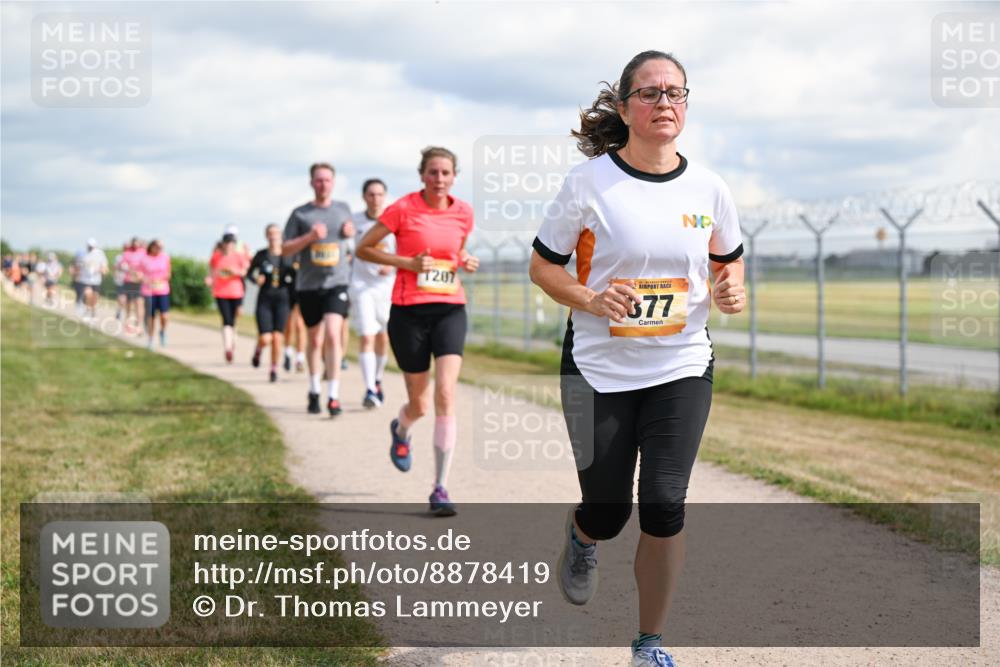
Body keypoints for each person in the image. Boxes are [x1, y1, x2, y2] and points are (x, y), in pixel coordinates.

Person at [528, 51, 746, 667]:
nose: (664, 103)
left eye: (675, 92)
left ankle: (649, 642)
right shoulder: (589, 182)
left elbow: (728, 264)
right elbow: (543, 266)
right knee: (609, 508)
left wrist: (733, 289)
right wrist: (590, 298)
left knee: (664, 500)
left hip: (681, 362)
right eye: (649, 93)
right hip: (598, 367)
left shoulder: (710, 188)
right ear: (623, 108)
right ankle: (582, 535)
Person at [356, 146, 479, 517]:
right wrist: (404, 262)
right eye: (432, 173)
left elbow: (453, 253)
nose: (439, 179)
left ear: (454, 176)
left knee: (445, 393)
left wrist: (464, 261)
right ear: (422, 175)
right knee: (421, 404)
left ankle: (440, 488)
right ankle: (402, 427)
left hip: (449, 309)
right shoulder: (403, 209)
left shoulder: (464, 213)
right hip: (408, 312)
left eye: (445, 173)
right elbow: (364, 248)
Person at [282, 162, 355, 416]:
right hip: (309, 285)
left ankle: (333, 396)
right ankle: (314, 390)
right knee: (315, 339)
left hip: (337, 282)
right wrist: (309, 238)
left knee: (334, 335)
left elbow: (352, 238)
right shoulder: (300, 214)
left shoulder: (343, 209)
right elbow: (285, 249)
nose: (323, 184)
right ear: (311, 183)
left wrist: (349, 232)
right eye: (318, 180)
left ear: (333, 183)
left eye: (327, 180)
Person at [349, 178, 394, 408]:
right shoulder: (354, 222)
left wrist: (392, 264)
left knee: (382, 337)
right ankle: (368, 390)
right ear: (364, 197)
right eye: (371, 194)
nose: (375, 199)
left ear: (385, 197)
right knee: (367, 335)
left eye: (379, 194)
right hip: (362, 285)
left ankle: (377, 380)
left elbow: (406, 250)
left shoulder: (394, 221)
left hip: (386, 288)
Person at [249, 224, 296, 382]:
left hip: (283, 299)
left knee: (277, 337)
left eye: (276, 233)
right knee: (266, 338)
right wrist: (256, 279)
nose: (273, 236)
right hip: (265, 299)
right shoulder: (261, 255)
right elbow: (250, 273)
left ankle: (274, 368)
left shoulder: (288, 255)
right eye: (270, 233)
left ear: (281, 235)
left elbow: (297, 276)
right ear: (266, 236)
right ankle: (258, 350)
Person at [209, 233, 250, 362]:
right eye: (227, 242)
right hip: (221, 292)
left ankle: (232, 343)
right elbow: (212, 271)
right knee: (226, 320)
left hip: (236, 292)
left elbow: (245, 272)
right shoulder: (216, 257)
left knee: (234, 320)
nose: (228, 245)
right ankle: (227, 348)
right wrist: (210, 279)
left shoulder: (239, 257)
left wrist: (235, 272)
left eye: (231, 242)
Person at [140, 239, 171, 349]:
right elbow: (139, 274)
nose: (159, 249)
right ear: (152, 247)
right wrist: (146, 279)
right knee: (151, 316)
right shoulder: (144, 259)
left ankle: (162, 331)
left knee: (164, 316)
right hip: (148, 291)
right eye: (157, 247)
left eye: (161, 247)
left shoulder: (165, 257)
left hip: (162, 290)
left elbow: (168, 273)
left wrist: (159, 279)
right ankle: (151, 338)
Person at [120, 237, 147, 335]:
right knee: (129, 304)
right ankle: (128, 323)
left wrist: (141, 274)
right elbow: (122, 265)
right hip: (129, 281)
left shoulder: (144, 252)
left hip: (139, 282)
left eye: (137, 243)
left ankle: (139, 326)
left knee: (139, 304)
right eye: (134, 243)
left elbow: (147, 266)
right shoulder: (127, 253)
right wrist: (129, 270)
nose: (136, 245)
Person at [77, 239, 108, 321]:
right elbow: (79, 265)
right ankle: (87, 310)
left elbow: (104, 266)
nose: (90, 248)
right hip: (85, 279)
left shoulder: (100, 254)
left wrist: (102, 272)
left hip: (96, 279)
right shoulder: (83, 254)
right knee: (88, 294)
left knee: (95, 297)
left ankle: (93, 312)